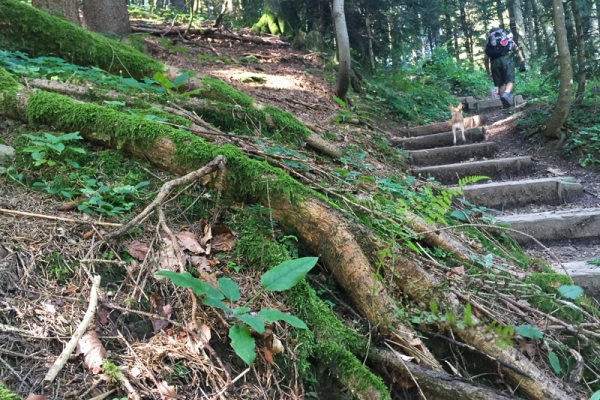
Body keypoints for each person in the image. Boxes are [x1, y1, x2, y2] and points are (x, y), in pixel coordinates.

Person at [484, 27, 526, 108]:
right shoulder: (505, 37)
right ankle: (506, 94)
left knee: (500, 84)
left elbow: (485, 59)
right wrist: (521, 58)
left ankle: (505, 105)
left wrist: (489, 72)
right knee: (510, 80)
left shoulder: (489, 42)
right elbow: (516, 48)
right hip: (506, 59)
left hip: (494, 62)